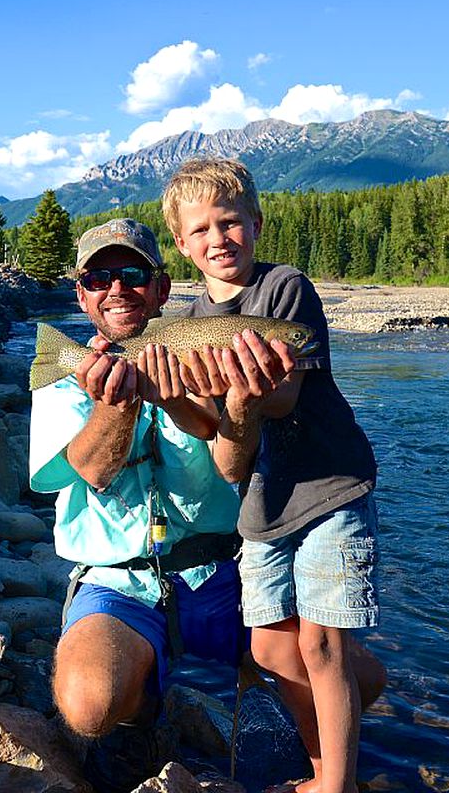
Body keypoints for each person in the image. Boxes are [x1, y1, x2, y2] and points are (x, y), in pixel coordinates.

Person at [28, 217, 293, 791]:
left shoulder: (208, 354)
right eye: (100, 277)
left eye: (132, 275)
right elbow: (93, 471)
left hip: (226, 574)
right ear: (81, 293)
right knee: (90, 707)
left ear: (163, 288)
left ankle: (272, 723)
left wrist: (227, 401)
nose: (116, 289)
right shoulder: (61, 380)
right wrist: (117, 401)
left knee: (353, 678)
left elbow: (236, 463)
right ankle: (144, 711)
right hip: (118, 583)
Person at [162, 158, 387, 793]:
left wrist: (243, 387)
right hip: (262, 502)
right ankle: (329, 754)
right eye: (201, 229)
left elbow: (284, 400)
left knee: (320, 647)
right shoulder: (184, 327)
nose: (217, 239)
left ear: (256, 225)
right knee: (268, 651)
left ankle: (335, 783)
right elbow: (221, 446)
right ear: (182, 245)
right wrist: (165, 394)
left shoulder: (286, 290)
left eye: (230, 223)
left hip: (330, 485)